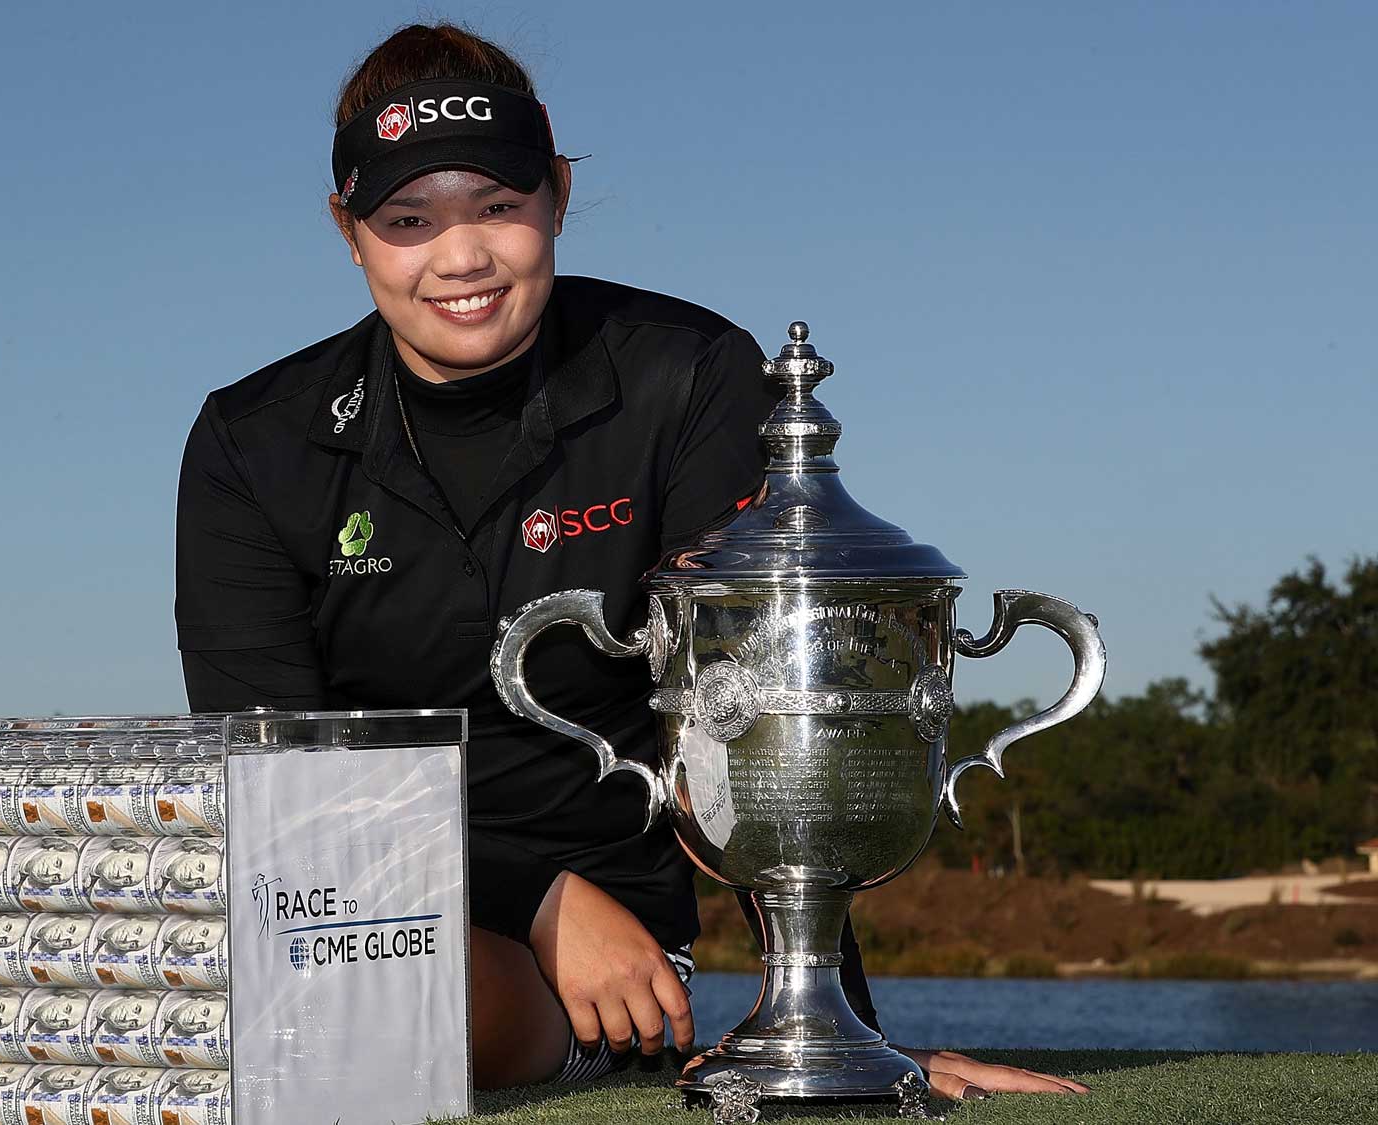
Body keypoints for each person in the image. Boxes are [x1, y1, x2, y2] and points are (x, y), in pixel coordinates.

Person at [172, 22, 1090, 1101]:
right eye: (407, 220)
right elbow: (276, 772)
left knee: (366, 994)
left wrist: (833, 1037)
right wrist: (533, 896)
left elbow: (757, 722)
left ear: (555, 194)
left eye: (499, 209)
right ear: (349, 230)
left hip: (574, 959)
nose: (459, 258)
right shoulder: (251, 439)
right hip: (344, 895)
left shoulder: (688, 377)